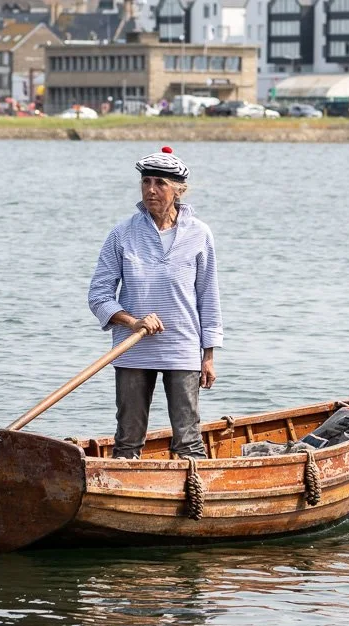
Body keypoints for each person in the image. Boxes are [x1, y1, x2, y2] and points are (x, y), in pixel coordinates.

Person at [87, 147, 222, 459]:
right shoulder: (122, 234)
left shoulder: (200, 234)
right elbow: (99, 295)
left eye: (160, 183)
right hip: (132, 348)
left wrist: (209, 356)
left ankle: (196, 496)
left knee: (188, 442)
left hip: (183, 348)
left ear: (178, 190)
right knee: (127, 441)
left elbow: (208, 297)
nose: (151, 190)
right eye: (146, 182)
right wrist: (133, 321)